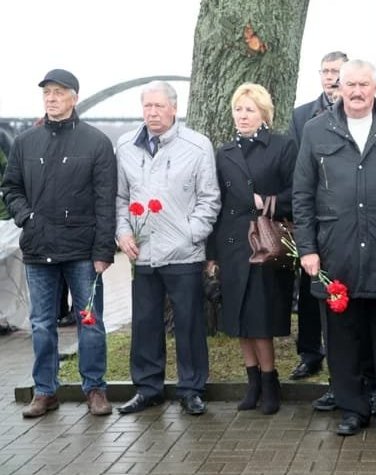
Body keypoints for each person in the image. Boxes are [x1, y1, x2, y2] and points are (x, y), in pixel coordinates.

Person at [293, 59, 376, 444]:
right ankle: (352, 410)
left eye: (363, 84)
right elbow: (302, 195)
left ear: (375, 87)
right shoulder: (317, 130)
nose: (355, 91)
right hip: (336, 253)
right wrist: (308, 248)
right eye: (349, 84)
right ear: (338, 87)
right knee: (343, 339)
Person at [1, 69, 117, 417]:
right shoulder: (26, 143)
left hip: (83, 252)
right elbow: (11, 188)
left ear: (74, 97)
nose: (51, 98)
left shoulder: (96, 142)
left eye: (58, 92)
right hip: (38, 249)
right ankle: (45, 391)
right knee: (41, 324)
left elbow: (105, 200)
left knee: (90, 321)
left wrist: (103, 252)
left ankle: (95, 389)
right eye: (47, 93)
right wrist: (27, 217)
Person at [115, 81, 220, 416]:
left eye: (159, 106)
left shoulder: (197, 145)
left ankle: (191, 389)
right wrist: (122, 232)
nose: (153, 113)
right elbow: (119, 198)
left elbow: (209, 198)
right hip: (143, 252)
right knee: (145, 323)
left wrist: (192, 234)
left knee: (188, 324)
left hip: (183, 252)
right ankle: (148, 388)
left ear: (174, 109)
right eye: (147, 106)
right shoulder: (126, 145)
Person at [205, 83, 295, 415]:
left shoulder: (283, 147)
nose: (243, 116)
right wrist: (212, 253)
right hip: (232, 243)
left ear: (264, 114)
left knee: (260, 318)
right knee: (239, 319)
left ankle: (271, 383)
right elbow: (216, 203)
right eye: (238, 109)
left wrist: (268, 202)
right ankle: (252, 383)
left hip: (266, 242)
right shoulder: (224, 152)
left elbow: (298, 191)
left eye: (250, 110)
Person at [287, 51, 348, 390]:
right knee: (310, 289)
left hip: (348, 214)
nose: (330, 77)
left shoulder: (359, 110)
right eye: (325, 71)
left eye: (336, 71)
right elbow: (300, 172)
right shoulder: (301, 117)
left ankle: (345, 363)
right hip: (314, 217)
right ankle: (310, 353)